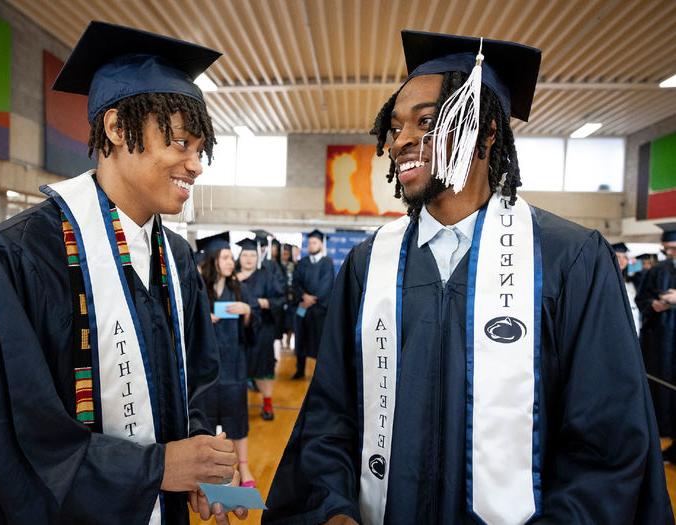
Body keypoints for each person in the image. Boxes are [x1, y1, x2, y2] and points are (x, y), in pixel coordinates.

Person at [265, 31, 672, 524]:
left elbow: (608, 443)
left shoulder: (569, 260)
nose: (402, 140)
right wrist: (334, 510)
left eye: (428, 121)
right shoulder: (369, 263)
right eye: (395, 127)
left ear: (487, 131)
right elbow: (330, 416)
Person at [0, 21, 247, 524]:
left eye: (200, 148)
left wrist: (200, 461)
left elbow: (200, 381)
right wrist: (155, 467)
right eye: (181, 142)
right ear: (118, 128)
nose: (196, 165)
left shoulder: (178, 259)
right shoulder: (19, 256)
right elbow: (12, 430)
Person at [199, 233, 258, 487]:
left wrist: (247, 312)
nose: (230, 261)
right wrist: (205, 319)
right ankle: (213, 469)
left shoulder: (240, 289)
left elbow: (251, 326)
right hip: (207, 368)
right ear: (213, 261)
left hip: (234, 364)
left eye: (230, 257)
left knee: (238, 417)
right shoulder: (200, 289)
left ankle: (243, 469)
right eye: (224, 257)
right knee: (207, 418)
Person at [636, 223, 676, 461]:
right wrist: (653, 305)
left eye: (672, 248)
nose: (669, 253)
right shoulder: (657, 270)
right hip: (662, 340)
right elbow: (642, 297)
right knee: (662, 390)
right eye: (666, 248)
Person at [236, 238, 284, 420]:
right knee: (239, 370)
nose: (248, 259)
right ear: (239, 257)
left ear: (258, 257)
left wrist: (265, 302)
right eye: (245, 255)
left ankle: (267, 404)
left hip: (263, 330)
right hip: (238, 331)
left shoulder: (267, 276)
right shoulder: (232, 276)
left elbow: (280, 300)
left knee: (264, 370)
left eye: (252, 255)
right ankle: (239, 408)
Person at [291, 229, 335, 379]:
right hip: (303, 307)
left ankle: (320, 374)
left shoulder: (327, 262)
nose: (311, 245)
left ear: (321, 244)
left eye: (314, 242)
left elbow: (326, 285)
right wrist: (303, 296)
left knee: (319, 341)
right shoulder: (302, 262)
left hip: (319, 310)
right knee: (301, 338)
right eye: (309, 242)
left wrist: (310, 300)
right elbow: (295, 283)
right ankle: (299, 370)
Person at [612, 242, 640, 332]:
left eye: (625, 257)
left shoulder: (631, 280)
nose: (622, 260)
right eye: (618, 257)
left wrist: (636, 263)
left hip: (635, 321)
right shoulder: (606, 279)